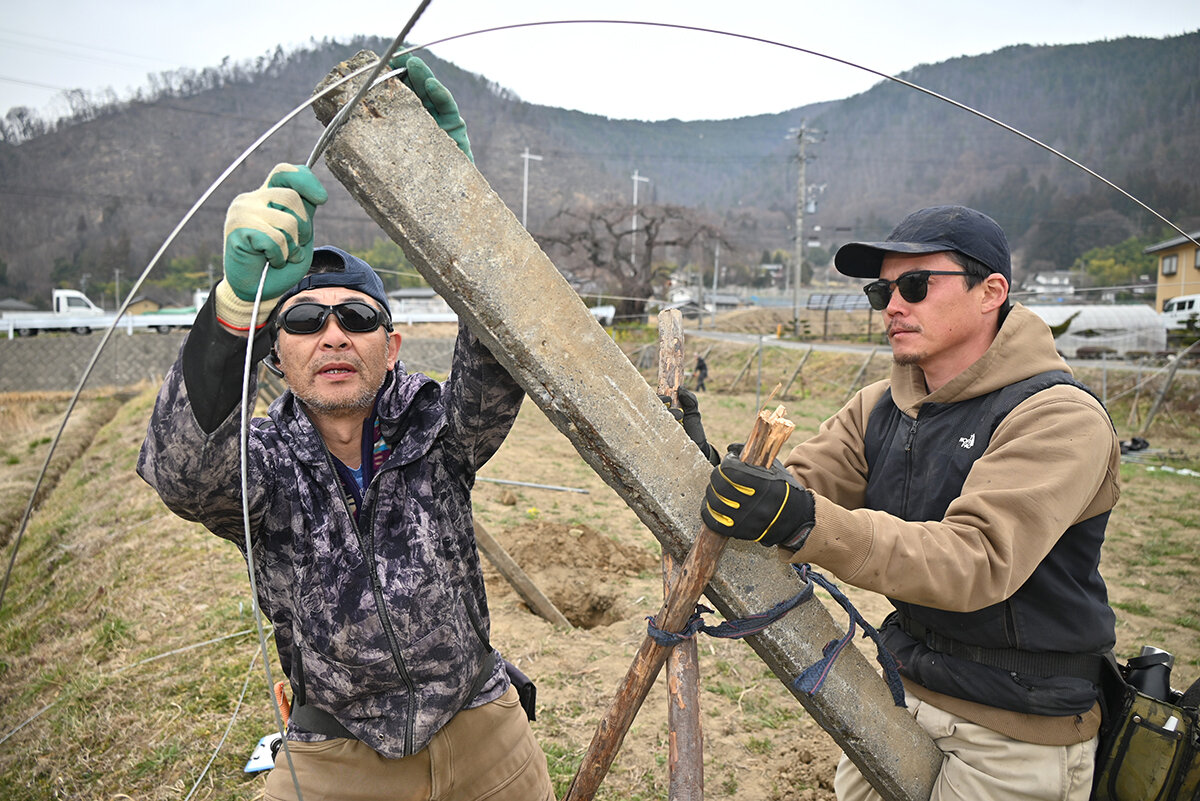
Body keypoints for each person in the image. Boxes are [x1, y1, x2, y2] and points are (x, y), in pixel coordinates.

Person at [137, 54, 553, 801]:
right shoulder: (261, 467)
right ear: (277, 351)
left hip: (484, 727)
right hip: (337, 753)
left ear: (390, 346)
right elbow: (182, 475)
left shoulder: (439, 432)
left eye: (358, 317)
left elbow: (504, 352)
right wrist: (235, 304)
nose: (333, 334)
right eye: (305, 319)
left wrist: (462, 212)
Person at [701, 205, 1119, 801]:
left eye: (916, 285)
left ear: (990, 292)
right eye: (882, 291)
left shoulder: (1058, 417)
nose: (893, 305)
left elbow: (974, 560)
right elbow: (798, 487)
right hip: (899, 693)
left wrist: (803, 521)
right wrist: (713, 474)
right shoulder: (880, 406)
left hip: (1013, 731)